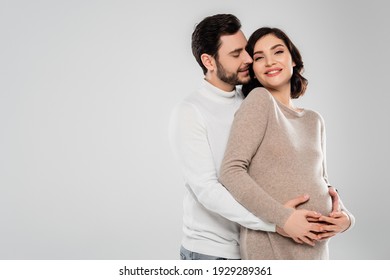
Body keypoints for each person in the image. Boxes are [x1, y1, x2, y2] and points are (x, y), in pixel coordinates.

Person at [169, 14, 342, 260]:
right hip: (213, 250)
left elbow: (303, 171)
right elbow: (208, 190)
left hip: (264, 242)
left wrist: (341, 214)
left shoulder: (255, 100)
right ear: (208, 61)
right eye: (236, 54)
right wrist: (278, 222)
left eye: (248, 52)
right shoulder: (190, 112)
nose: (248, 59)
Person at [219, 27, 355, 259]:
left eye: (278, 52)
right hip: (274, 246)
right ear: (253, 69)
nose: (269, 61)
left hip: (315, 250)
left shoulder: (314, 120)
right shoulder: (259, 101)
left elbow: (323, 182)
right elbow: (230, 172)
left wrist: (345, 218)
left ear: (293, 59)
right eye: (259, 57)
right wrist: (284, 217)